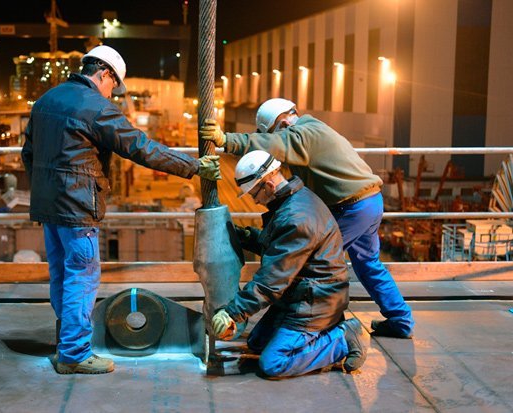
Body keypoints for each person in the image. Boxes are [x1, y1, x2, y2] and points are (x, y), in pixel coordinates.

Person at [21, 45, 221, 375]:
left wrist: (45, 189)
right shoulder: (96, 107)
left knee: (61, 273)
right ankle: (74, 354)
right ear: (104, 74)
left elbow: (28, 153)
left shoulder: (46, 100)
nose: (112, 93)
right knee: (82, 277)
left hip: (48, 206)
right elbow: (141, 148)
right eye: (114, 86)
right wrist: (194, 166)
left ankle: (67, 342)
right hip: (77, 207)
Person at [200, 98, 414, 339]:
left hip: (352, 208)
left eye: (272, 132)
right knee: (368, 264)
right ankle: (400, 319)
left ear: (283, 121)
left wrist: (227, 141)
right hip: (368, 203)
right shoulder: (311, 131)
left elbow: (277, 144)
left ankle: (332, 330)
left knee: (312, 263)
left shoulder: (305, 134)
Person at [211, 150, 366, 378]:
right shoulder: (294, 201)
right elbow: (278, 248)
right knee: (257, 342)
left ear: (269, 185)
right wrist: (241, 236)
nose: (254, 200)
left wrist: (233, 313)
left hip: (317, 301)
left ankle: (342, 339)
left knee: (272, 363)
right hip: (303, 293)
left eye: (254, 193)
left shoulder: (296, 218)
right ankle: (324, 331)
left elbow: (271, 281)